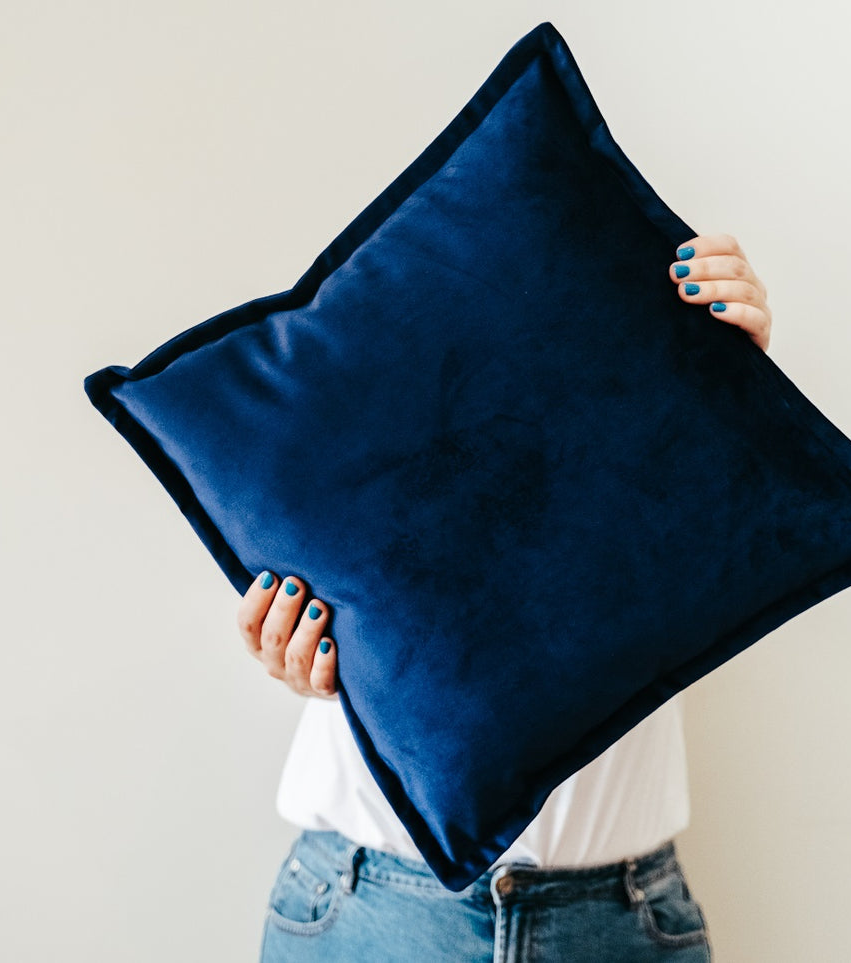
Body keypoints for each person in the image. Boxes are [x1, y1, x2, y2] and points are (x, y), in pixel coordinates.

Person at [242, 233, 773, 962]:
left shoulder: (635, 431)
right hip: (371, 906)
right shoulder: (371, 430)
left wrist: (733, 376)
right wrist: (295, 646)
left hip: (615, 916)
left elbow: (741, 540)